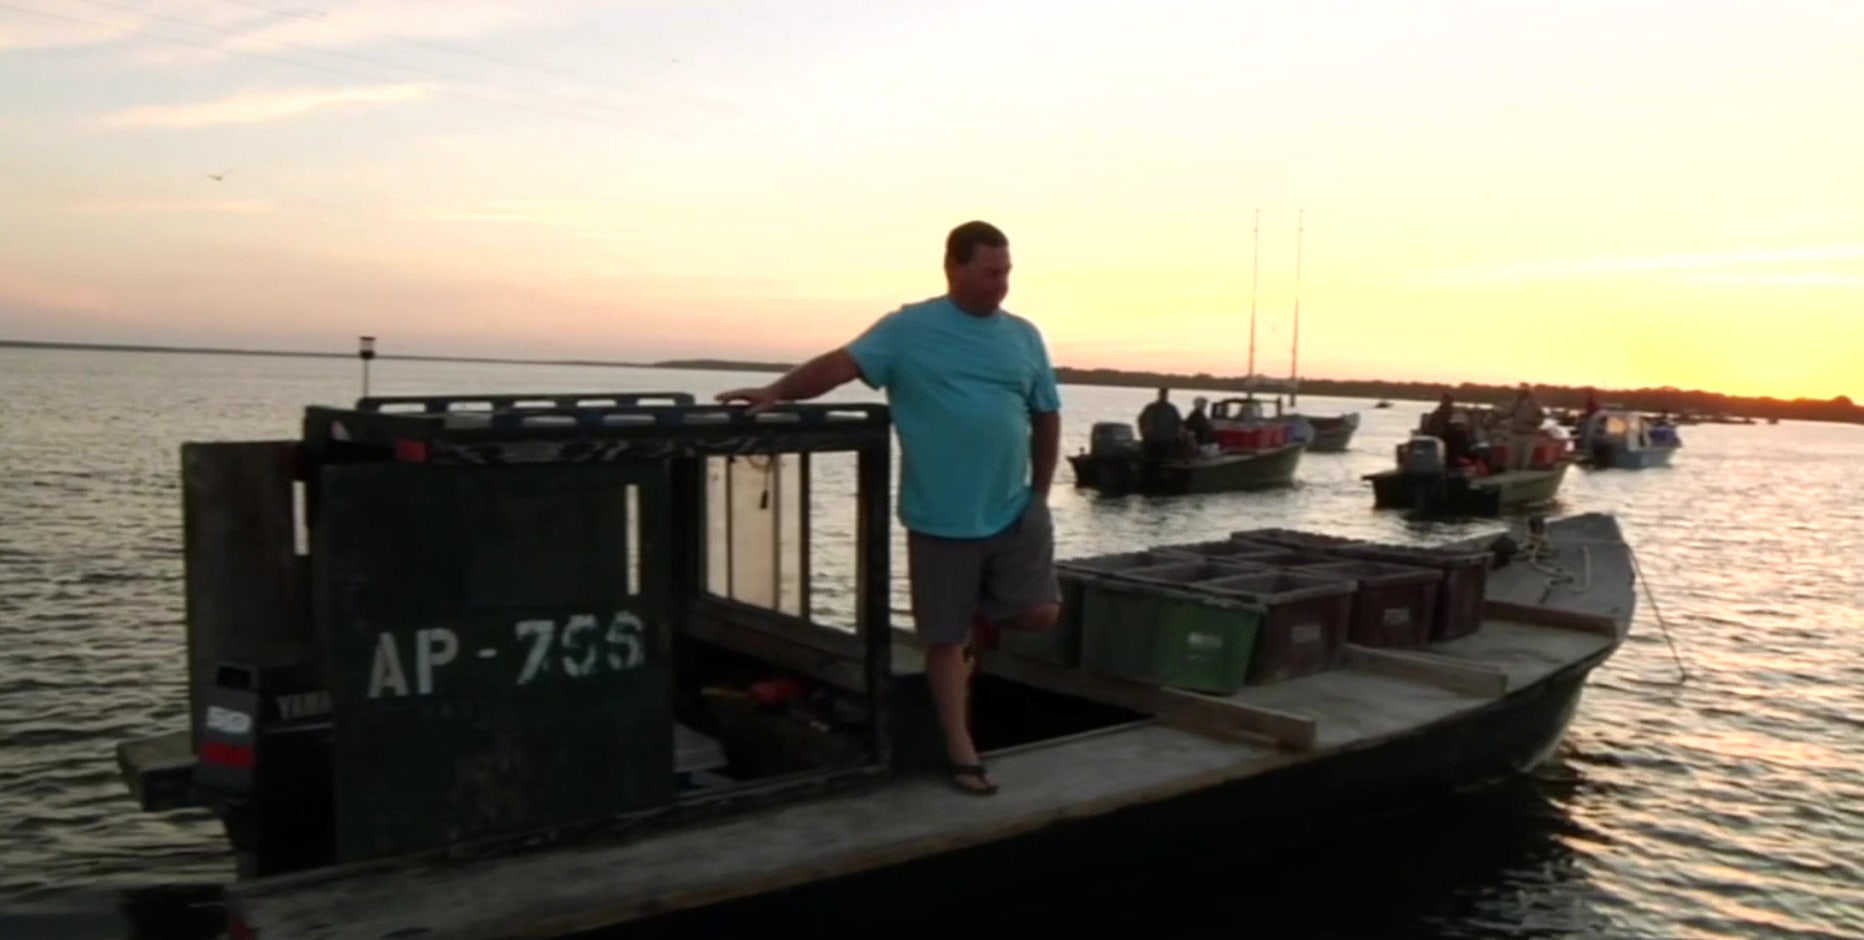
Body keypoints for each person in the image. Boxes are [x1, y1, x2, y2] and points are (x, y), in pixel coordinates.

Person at [714, 220, 1061, 798]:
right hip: (941, 518)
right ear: (954, 267)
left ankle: (977, 621)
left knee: (1040, 613)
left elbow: (1046, 413)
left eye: (1007, 273)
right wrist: (777, 392)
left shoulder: (1024, 336)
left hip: (1013, 508)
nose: (1002, 284)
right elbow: (840, 365)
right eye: (990, 272)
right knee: (943, 642)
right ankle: (962, 753)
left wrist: (1041, 494)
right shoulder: (908, 329)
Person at [1137, 388, 1183, 461]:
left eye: (1164, 394)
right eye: (1163, 394)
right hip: (1156, 441)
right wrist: (1143, 433)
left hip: (1164, 440)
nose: (1164, 396)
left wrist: (1143, 433)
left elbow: (1179, 424)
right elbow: (1140, 420)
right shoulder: (1152, 408)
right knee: (1157, 461)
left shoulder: (1170, 408)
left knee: (1159, 461)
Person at [1507, 383, 1545, 471]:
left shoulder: (1535, 404)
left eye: (1522, 392)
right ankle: (1512, 474)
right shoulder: (1516, 403)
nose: (1520, 393)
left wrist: (1533, 422)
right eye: (1519, 391)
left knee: (1525, 460)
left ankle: (1523, 473)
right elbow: (1509, 413)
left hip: (1528, 435)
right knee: (1512, 460)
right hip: (1515, 434)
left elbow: (1541, 418)